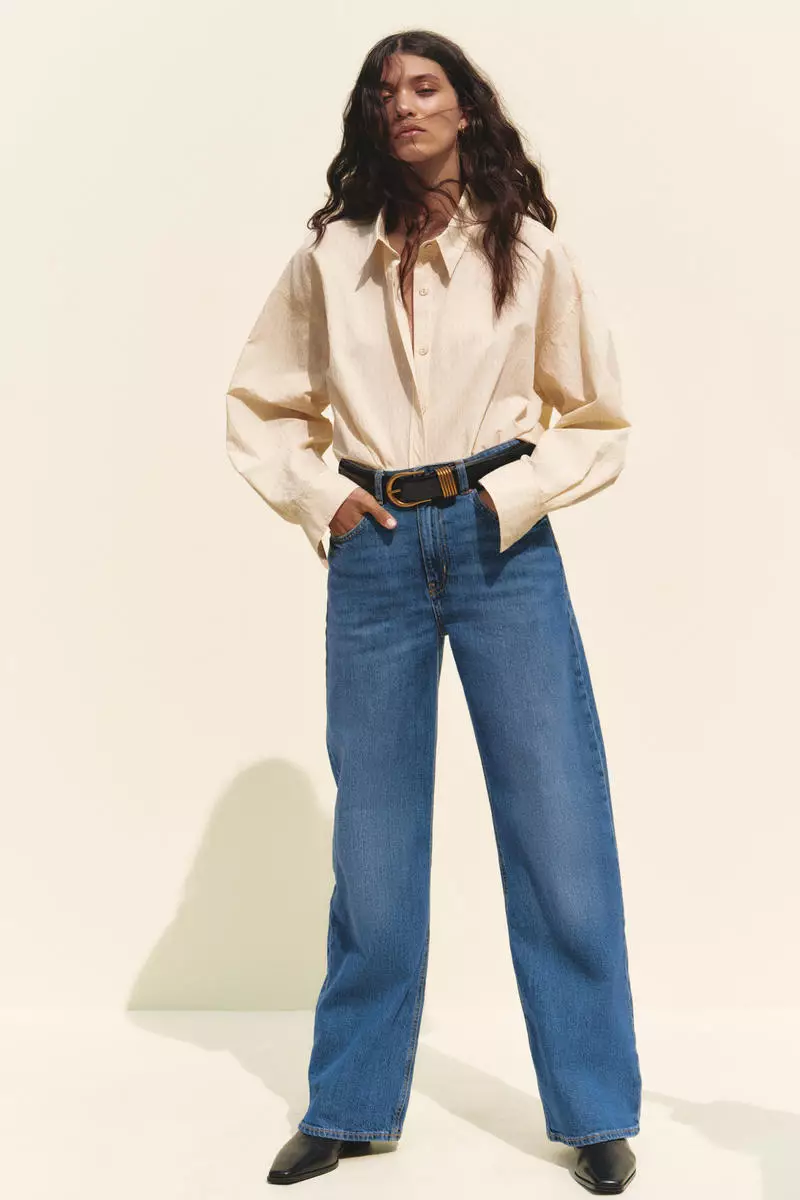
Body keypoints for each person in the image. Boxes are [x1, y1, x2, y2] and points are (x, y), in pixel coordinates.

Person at [225, 29, 641, 1195]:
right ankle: (351, 1105)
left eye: (423, 86)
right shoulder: (331, 256)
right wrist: (322, 498)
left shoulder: (527, 251)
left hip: (500, 543)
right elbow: (260, 403)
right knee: (373, 844)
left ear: (464, 108)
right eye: (383, 91)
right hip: (374, 552)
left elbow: (596, 416)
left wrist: (509, 498)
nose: (401, 104)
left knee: (556, 826)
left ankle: (593, 1109)